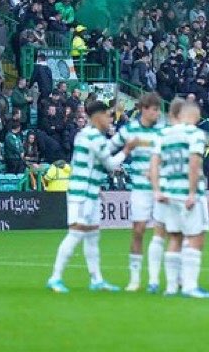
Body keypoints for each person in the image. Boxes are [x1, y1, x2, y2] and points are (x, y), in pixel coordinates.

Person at [47, 100, 140, 293]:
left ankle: (96, 279)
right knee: (76, 233)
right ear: (98, 116)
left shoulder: (88, 135)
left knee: (92, 236)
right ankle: (55, 277)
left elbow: (101, 154)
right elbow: (110, 164)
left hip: (90, 193)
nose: (109, 119)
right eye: (107, 115)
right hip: (82, 194)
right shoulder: (93, 137)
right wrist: (127, 149)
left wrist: (121, 137)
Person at [151, 100, 209, 298]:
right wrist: (192, 193)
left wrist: (157, 190)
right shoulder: (195, 134)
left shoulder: (163, 134)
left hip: (169, 193)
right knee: (195, 238)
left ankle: (170, 287)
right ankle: (190, 286)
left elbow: (154, 164)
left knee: (175, 237)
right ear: (194, 116)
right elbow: (194, 163)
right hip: (186, 192)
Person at [109, 92, 165, 293]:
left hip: (160, 188)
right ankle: (134, 279)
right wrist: (123, 153)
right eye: (154, 109)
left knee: (160, 232)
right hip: (140, 189)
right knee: (138, 230)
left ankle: (154, 279)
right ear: (143, 109)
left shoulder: (162, 132)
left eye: (158, 110)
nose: (157, 113)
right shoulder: (129, 130)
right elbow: (109, 147)